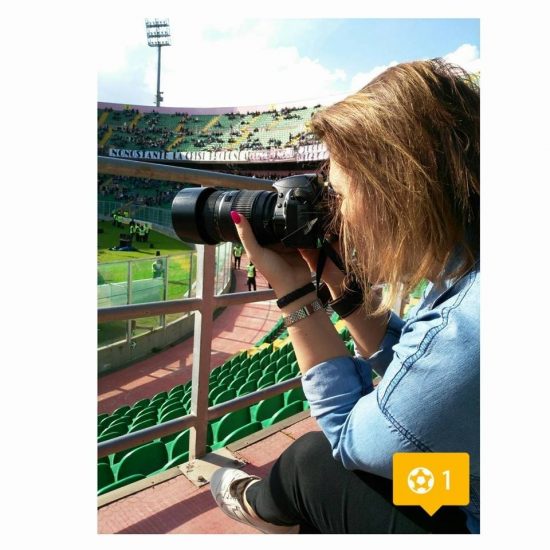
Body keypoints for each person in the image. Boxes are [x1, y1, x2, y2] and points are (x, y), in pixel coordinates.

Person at [209, 59, 480, 534]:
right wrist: (340, 288)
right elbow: (422, 374)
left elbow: (352, 441)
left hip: (475, 508)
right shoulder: (464, 276)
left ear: (396, 191)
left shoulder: (465, 325)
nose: (338, 215)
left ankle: (260, 504)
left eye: (337, 194)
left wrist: (295, 293)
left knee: (313, 464)